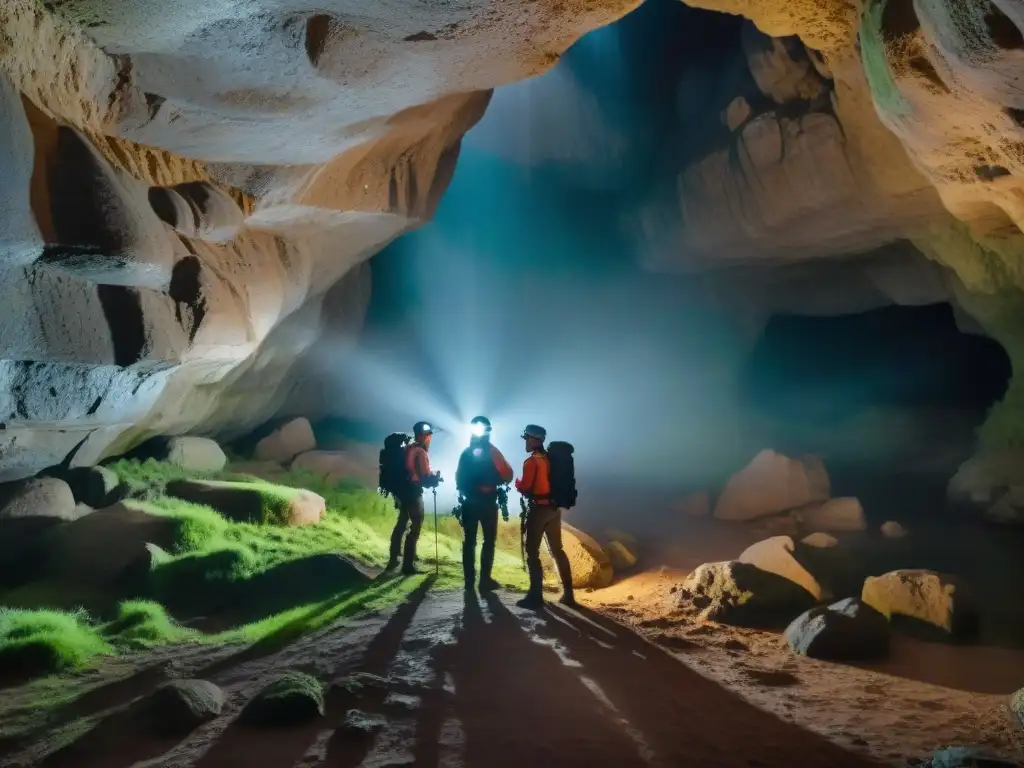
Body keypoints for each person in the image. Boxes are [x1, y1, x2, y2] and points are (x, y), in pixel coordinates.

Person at [515, 424, 575, 610]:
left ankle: (535, 596)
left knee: (532, 552)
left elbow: (525, 487)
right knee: (557, 550)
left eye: (526, 438)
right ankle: (569, 595)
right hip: (554, 510)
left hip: (539, 509)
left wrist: (517, 483)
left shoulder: (531, 462)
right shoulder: (549, 459)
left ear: (533, 440)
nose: (525, 442)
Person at [455, 415, 513, 593]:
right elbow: (508, 475)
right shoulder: (493, 452)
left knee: (469, 542)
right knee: (488, 542)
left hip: (469, 503)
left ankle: (469, 582)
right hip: (487, 503)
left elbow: (458, 478)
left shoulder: (466, 452)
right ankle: (484, 581)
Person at [387, 421, 440, 574]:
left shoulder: (408, 448)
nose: (430, 439)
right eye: (429, 436)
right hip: (412, 492)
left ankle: (394, 557)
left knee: (402, 522)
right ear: (426, 437)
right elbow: (424, 475)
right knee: (416, 524)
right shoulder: (420, 452)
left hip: (402, 491)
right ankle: (408, 565)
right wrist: (435, 478)